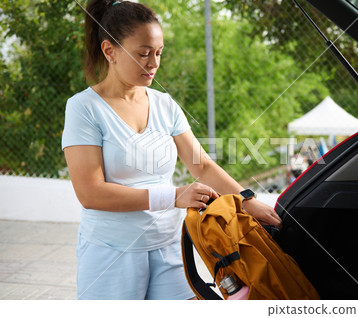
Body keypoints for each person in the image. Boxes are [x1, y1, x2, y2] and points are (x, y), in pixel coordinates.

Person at [62, 0, 281, 300]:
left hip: (169, 249)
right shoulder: (84, 108)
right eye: (142, 54)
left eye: (158, 53)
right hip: (110, 255)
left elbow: (201, 166)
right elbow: (90, 192)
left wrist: (246, 201)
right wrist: (174, 196)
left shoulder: (165, 105)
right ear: (109, 51)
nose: (153, 63)